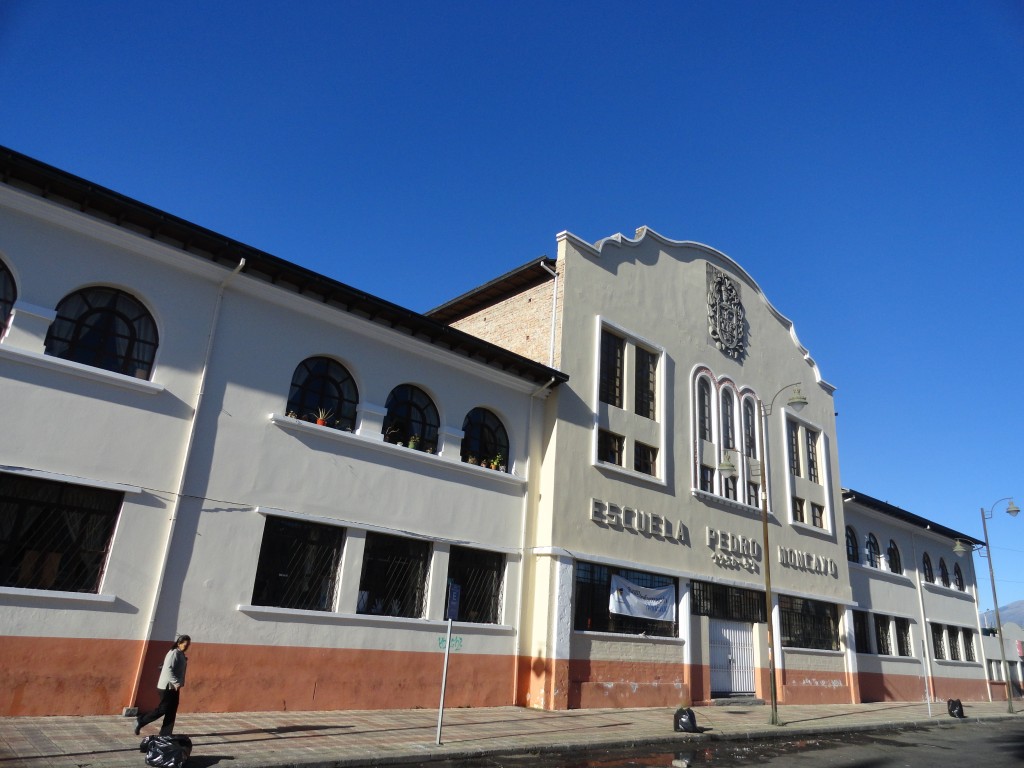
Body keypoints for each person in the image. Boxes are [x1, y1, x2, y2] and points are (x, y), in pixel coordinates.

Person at [135, 634, 191, 736]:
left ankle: (165, 734)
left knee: (172, 710)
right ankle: (141, 720)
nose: (187, 647)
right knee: (163, 709)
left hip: (173, 687)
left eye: (188, 645)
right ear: (179, 643)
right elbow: (167, 669)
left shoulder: (181, 654)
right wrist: (176, 682)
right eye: (185, 644)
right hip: (166, 687)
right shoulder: (173, 653)